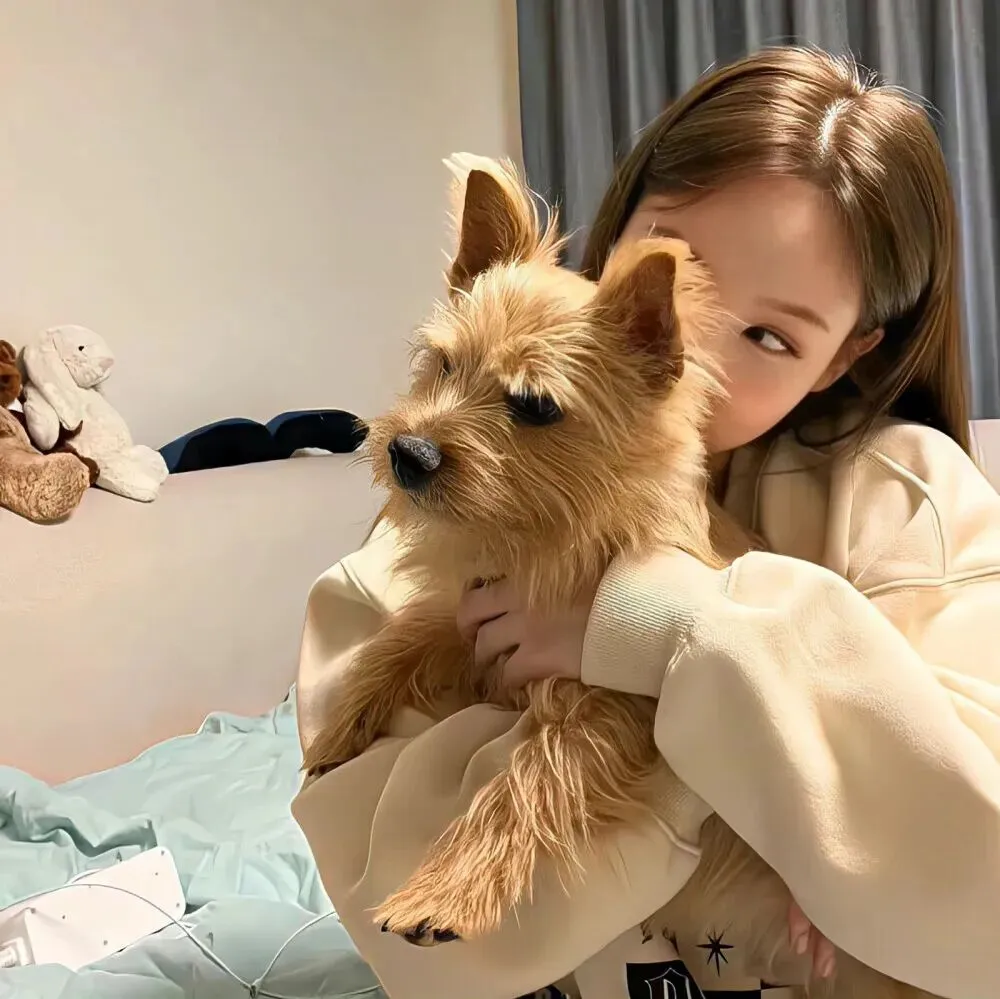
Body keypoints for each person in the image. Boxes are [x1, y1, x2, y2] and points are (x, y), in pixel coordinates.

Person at [294, 48, 1000, 999]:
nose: (692, 353)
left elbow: (979, 884)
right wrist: (773, 765)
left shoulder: (912, 506)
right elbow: (422, 941)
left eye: (769, 335)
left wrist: (664, 635)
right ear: (617, 234)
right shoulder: (409, 557)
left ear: (846, 356)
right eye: (679, 284)